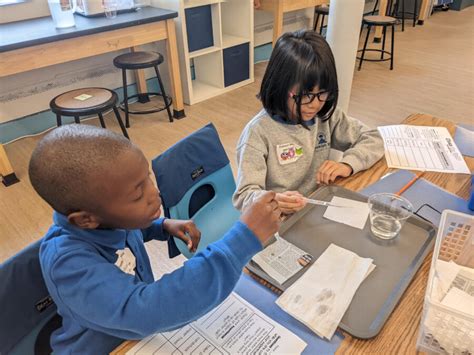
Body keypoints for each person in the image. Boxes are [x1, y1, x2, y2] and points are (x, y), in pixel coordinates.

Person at [29, 124, 281, 354]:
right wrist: (240, 241)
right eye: (138, 195)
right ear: (85, 220)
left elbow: (127, 229)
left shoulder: (104, 218)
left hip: (139, 337)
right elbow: (145, 310)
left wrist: (161, 225)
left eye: (147, 179)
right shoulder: (68, 264)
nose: (155, 194)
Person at [233, 30, 384, 215]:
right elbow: (243, 196)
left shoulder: (325, 117)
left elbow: (375, 138)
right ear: (280, 86)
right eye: (306, 95)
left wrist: (348, 165)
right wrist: (273, 201)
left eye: (322, 93)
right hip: (279, 220)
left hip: (317, 209)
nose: (315, 104)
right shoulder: (257, 133)